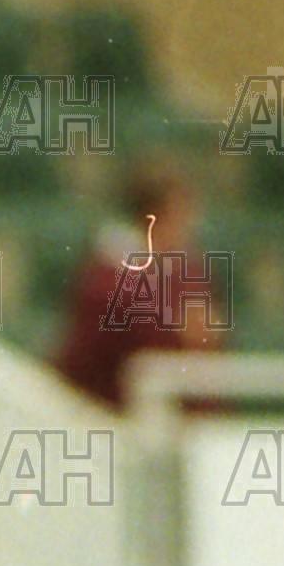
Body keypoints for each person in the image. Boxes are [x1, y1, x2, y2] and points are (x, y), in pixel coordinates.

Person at [51, 158, 225, 411]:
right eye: (181, 214)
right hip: (100, 413)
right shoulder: (106, 278)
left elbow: (204, 347)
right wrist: (179, 333)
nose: (188, 226)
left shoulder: (187, 271)